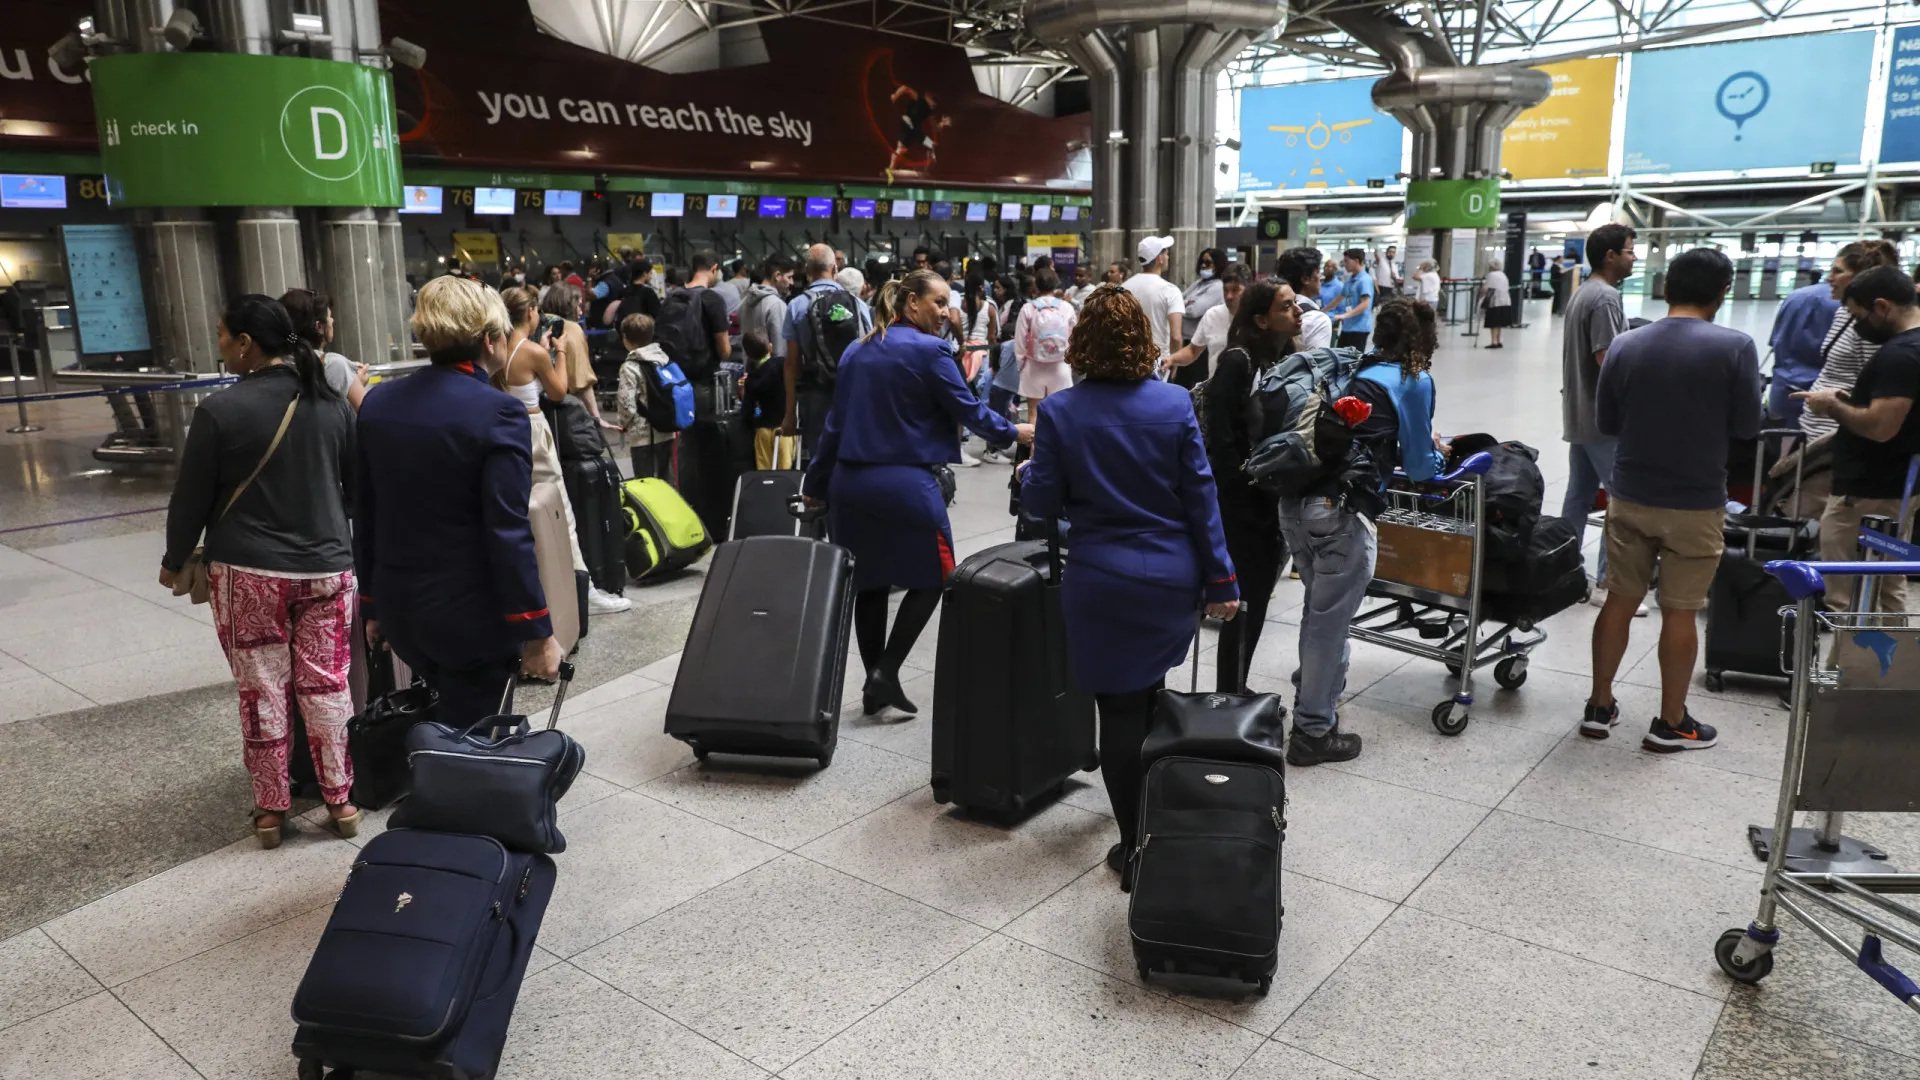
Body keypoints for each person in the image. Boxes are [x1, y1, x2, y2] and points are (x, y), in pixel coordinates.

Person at [1018, 284, 1239, 887]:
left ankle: (1134, 845)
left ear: (1082, 343)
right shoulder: (1172, 406)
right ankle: (1160, 823)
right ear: (1142, 340)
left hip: (1102, 579)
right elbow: (1201, 497)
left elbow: (1040, 502)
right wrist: (1221, 578)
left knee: (1116, 710)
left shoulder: (1062, 411)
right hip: (1170, 579)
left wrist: (1032, 469)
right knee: (1148, 696)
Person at [161, 294, 359, 849]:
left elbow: (191, 497)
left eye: (223, 335)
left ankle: (272, 811)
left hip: (249, 572)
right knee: (328, 686)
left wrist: (174, 560)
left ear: (246, 344)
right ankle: (341, 799)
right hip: (328, 568)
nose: (220, 345)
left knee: (263, 690)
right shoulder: (331, 403)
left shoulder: (220, 410)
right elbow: (355, 490)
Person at [801, 270, 1032, 716]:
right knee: (934, 576)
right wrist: (1013, 430)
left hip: (850, 485)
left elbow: (834, 425)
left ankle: (874, 686)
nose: (947, 312)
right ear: (911, 304)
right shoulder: (931, 351)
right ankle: (885, 671)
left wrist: (814, 483)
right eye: (939, 303)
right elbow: (968, 409)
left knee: (868, 584)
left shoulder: (857, 349)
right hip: (905, 483)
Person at [355, 275, 564, 736]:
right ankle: (459, 799)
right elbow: (506, 530)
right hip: (472, 613)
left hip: (401, 603)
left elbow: (367, 511)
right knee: (473, 737)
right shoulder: (497, 411)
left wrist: (372, 602)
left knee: (442, 719)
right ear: (489, 339)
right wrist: (537, 629)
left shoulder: (378, 403)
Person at [1588, 248, 1758, 751]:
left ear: (1666, 290)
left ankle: (1599, 706)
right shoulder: (1736, 347)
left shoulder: (1625, 344)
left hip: (1631, 495)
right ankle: (1671, 722)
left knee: (1620, 598)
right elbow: (1748, 425)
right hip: (1696, 501)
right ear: (1722, 293)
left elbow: (1607, 423)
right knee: (1680, 610)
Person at [1282, 297, 1448, 766]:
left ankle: (1312, 705)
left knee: (1318, 616)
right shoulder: (1413, 380)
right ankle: (1313, 732)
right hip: (1340, 513)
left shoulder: (1354, 369)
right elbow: (1418, 465)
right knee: (1329, 624)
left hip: (1295, 505)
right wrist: (1438, 454)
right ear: (1423, 338)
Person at [1797, 266, 1920, 613]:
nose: (1855, 325)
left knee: (1845, 595)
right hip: (1899, 487)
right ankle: (1895, 666)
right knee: (1887, 583)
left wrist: (1831, 406)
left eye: (1857, 316)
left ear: (1882, 307)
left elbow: (1881, 427)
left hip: (1868, 493)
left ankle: (1851, 668)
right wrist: (1854, 397)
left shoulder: (1901, 354)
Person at [498, 286, 621, 613]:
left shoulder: (499, 349)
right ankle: (586, 590)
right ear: (530, 313)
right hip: (536, 433)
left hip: (510, 432)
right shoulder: (534, 353)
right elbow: (558, 391)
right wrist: (561, 352)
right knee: (561, 512)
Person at [1203, 278, 1297, 695]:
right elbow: (1221, 440)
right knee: (1244, 605)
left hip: (1268, 499)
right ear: (1262, 319)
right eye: (1286, 307)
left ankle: (1236, 690)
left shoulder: (1282, 359)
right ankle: (1230, 694)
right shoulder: (1237, 363)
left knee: (1256, 602)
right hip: (1242, 506)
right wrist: (1244, 491)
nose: (1297, 312)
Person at [1561, 223, 1639, 610]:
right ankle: (1609, 582)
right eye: (1628, 251)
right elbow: (1607, 360)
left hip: (1579, 412)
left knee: (1578, 495)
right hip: (1602, 419)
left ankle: (1565, 572)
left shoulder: (1583, 292)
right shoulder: (1606, 298)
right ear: (1610, 256)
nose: (1634, 257)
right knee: (1621, 499)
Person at [1801, 240, 1902, 444]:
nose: (1829, 278)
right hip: (1815, 430)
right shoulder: (1843, 313)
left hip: (1839, 436)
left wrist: (1832, 404)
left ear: (1861, 278)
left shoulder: (1872, 325)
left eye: (1838, 271)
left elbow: (1875, 390)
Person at [784, 243, 874, 462]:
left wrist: (789, 414)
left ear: (806, 271)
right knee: (855, 456)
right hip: (854, 392)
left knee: (820, 458)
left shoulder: (796, 306)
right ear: (835, 269)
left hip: (816, 393)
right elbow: (872, 352)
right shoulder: (856, 304)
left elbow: (791, 364)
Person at [1769, 272, 1841, 426]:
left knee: (1780, 442)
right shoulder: (1840, 304)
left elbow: (1776, 340)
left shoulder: (1794, 296)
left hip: (1783, 389)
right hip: (1821, 395)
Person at [614, 313, 681, 481]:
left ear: (625, 339)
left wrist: (623, 423)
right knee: (667, 479)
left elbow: (626, 403)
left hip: (642, 435)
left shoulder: (629, 367)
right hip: (667, 429)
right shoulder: (664, 359)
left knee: (645, 482)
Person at [539, 282, 612, 429]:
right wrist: (597, 417)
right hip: (562, 409)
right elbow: (582, 379)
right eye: (578, 306)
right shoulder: (571, 328)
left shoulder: (536, 324)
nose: (581, 312)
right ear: (567, 305)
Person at [280, 288, 368, 411]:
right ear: (319, 326)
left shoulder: (277, 363)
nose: (332, 321)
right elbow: (367, 417)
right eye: (329, 316)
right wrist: (357, 383)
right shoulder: (335, 364)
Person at [1013, 265, 1077, 418]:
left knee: (1033, 412)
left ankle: (1035, 442)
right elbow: (1075, 336)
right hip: (1061, 366)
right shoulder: (1066, 308)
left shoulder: (1028, 308)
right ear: (1056, 284)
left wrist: (1021, 364)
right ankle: (1060, 442)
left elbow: (1020, 340)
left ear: (1036, 285)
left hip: (1033, 366)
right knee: (1061, 412)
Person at [1168, 262, 1247, 374]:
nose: (1229, 296)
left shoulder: (1259, 319)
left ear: (1248, 290)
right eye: (1225, 290)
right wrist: (1171, 359)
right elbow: (1192, 350)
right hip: (1216, 387)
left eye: (1235, 290)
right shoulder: (1212, 315)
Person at [1123, 236, 1184, 372]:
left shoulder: (1124, 287)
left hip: (1128, 359)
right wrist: (1174, 363)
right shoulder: (1170, 290)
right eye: (1166, 253)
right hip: (1158, 363)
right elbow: (1176, 337)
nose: (1168, 257)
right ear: (1159, 259)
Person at [1273, 247, 1333, 350]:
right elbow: (1318, 364)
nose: (1321, 277)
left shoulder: (1271, 310)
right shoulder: (1317, 320)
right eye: (1318, 272)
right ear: (1305, 279)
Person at [740, 255, 794, 360]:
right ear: (778, 275)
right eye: (789, 277)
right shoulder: (776, 305)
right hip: (771, 373)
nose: (791, 282)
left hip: (750, 371)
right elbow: (780, 351)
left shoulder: (744, 301)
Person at [1326, 248, 1375, 351]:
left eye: (1347, 261)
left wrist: (1344, 315)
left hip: (1359, 329)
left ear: (1356, 261)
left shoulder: (1364, 280)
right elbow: (1339, 298)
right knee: (1339, 356)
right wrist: (1322, 311)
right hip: (1347, 327)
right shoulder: (1350, 281)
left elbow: (1365, 304)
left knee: (1353, 361)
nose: (1345, 264)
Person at [1182, 247, 1227, 338]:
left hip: (1201, 341)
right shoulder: (1198, 283)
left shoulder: (1217, 287)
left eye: (1208, 263)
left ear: (1218, 265)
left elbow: (1193, 311)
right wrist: (1187, 302)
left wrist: (1180, 305)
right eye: (1202, 262)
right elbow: (1177, 299)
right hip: (1187, 337)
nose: (1203, 265)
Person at [1480, 258, 1513, 349]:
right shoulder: (1503, 274)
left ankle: (1493, 342)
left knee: (1493, 323)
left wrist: (1480, 296)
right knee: (1499, 323)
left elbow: (1486, 288)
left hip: (1495, 301)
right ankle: (1498, 341)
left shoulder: (1491, 275)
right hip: (1505, 301)